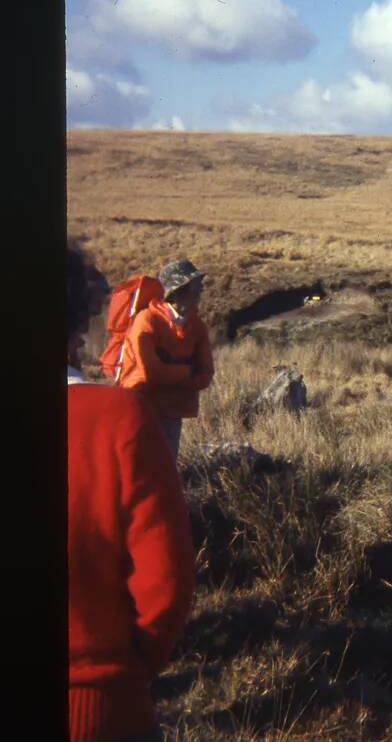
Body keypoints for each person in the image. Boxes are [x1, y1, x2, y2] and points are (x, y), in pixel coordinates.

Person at [68, 247, 195, 742]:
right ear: (75, 328)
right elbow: (167, 581)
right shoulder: (115, 420)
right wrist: (124, 671)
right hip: (100, 705)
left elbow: (198, 363)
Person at [118, 258, 214, 462]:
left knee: (165, 469)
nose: (200, 291)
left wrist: (167, 372)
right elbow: (150, 374)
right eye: (195, 286)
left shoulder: (197, 326)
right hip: (141, 409)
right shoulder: (146, 321)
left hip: (172, 413)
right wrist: (187, 371)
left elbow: (205, 375)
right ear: (177, 291)